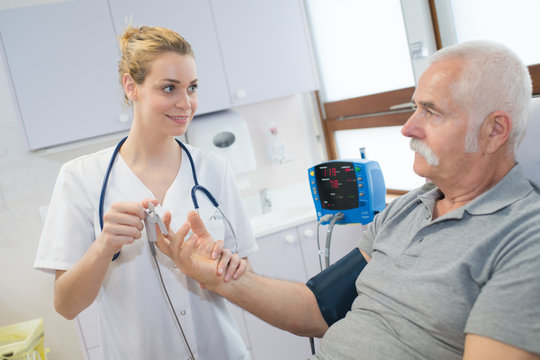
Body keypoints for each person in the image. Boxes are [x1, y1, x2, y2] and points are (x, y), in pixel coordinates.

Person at [156, 40, 540, 360]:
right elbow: (317, 308)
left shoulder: (524, 239)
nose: (408, 127)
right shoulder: (408, 209)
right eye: (414, 107)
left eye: (432, 112)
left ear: (494, 131)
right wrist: (219, 279)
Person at [34, 25, 258, 360]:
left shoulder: (214, 170)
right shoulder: (81, 179)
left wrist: (227, 269)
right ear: (131, 86)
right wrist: (104, 246)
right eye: (169, 88)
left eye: (192, 88)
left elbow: (249, 282)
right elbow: (66, 306)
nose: (186, 103)